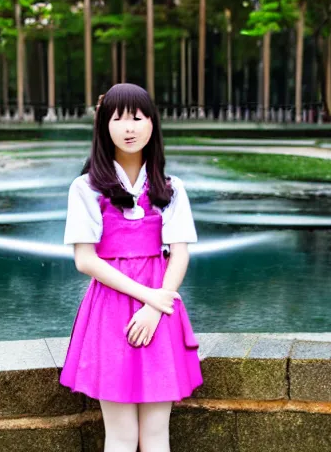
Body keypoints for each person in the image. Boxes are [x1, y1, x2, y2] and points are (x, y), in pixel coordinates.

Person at [60, 83, 203, 451]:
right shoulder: (86, 188)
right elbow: (85, 259)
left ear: (152, 124)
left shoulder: (171, 188)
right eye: (118, 118)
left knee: (157, 436)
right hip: (112, 311)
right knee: (121, 436)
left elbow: (180, 253)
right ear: (103, 125)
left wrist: (157, 306)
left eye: (138, 118)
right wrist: (151, 299)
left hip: (160, 310)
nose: (129, 127)